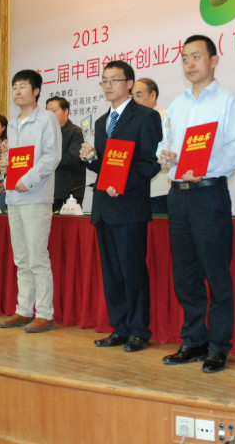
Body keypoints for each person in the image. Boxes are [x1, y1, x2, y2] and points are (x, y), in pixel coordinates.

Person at [158, 35, 235, 373]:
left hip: (209, 194)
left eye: (196, 56)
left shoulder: (227, 100)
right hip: (178, 195)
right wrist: (164, 155)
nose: (190, 63)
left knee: (216, 273)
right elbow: (165, 145)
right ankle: (193, 340)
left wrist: (203, 168)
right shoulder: (176, 105)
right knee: (186, 274)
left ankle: (218, 345)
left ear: (214, 60)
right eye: (184, 58)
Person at [80, 60, 162, 352]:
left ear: (129, 83)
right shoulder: (102, 122)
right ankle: (121, 327)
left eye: (114, 80)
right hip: (104, 207)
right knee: (112, 273)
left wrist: (124, 182)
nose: (108, 85)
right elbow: (106, 165)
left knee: (132, 271)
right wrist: (91, 159)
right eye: (104, 80)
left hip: (129, 206)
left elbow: (150, 163)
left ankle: (139, 330)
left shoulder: (146, 117)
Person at [0, 71, 62, 333]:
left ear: (36, 91)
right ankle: (24, 309)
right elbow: (17, 159)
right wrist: (7, 168)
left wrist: (28, 179)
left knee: (37, 257)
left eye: (23, 86)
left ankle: (45, 314)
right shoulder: (12, 123)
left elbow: (52, 157)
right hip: (14, 197)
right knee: (21, 258)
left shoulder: (46, 118)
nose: (17, 91)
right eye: (14, 87)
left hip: (36, 196)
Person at [132, 78, 170, 214]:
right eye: (132, 96)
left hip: (159, 192)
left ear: (152, 95)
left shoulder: (166, 118)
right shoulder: (133, 122)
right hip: (136, 191)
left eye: (139, 95)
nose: (135, 100)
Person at [45, 96, 86, 211]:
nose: (50, 114)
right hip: (47, 192)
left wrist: (46, 158)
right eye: (47, 111)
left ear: (66, 111)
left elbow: (72, 159)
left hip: (69, 193)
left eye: (54, 111)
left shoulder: (76, 132)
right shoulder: (45, 134)